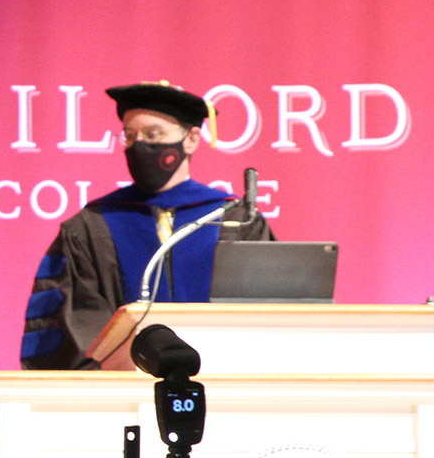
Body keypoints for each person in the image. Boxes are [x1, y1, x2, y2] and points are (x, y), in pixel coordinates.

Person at [19, 82, 273, 369]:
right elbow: (78, 320)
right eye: (129, 136)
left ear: (191, 139)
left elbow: (265, 310)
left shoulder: (235, 219)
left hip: (227, 382)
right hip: (122, 391)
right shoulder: (92, 225)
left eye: (154, 134)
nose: (139, 145)